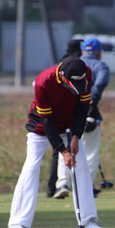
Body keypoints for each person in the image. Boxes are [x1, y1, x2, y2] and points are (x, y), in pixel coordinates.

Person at [8, 55, 105, 228]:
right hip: (41, 127)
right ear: (62, 74)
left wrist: (76, 136)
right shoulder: (44, 81)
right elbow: (47, 121)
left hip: (69, 126)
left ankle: (89, 220)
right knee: (31, 167)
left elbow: (83, 108)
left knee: (82, 167)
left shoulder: (86, 73)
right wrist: (63, 151)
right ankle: (17, 223)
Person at [53, 38, 110, 200]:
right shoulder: (102, 66)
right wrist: (90, 106)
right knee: (90, 153)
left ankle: (63, 183)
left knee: (64, 149)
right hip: (90, 113)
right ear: (98, 52)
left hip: (66, 113)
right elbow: (98, 87)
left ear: (83, 50)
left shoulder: (69, 63)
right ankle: (85, 188)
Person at [46, 39, 83, 198]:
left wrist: (76, 136)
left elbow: (83, 104)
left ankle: (54, 186)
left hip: (70, 118)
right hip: (55, 118)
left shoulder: (80, 67)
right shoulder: (49, 78)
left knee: (60, 152)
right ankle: (60, 184)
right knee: (62, 151)